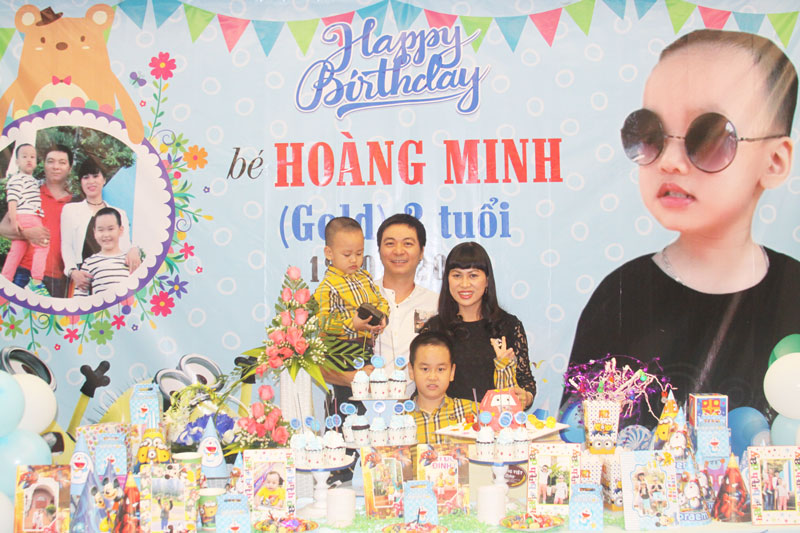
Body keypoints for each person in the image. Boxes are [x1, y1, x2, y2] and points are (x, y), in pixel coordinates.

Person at [569, 29, 800, 420]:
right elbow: (582, 431)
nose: (670, 162)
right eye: (649, 134)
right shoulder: (620, 297)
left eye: (708, 136)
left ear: (774, 161)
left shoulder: (793, 292)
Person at [314, 216, 389, 486]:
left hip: (365, 348)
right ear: (329, 253)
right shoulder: (327, 287)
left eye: (359, 253)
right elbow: (323, 322)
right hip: (340, 351)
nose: (354, 260)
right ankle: (339, 465)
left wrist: (382, 318)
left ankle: (365, 462)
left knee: (365, 406)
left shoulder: (364, 277)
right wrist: (351, 324)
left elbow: (380, 301)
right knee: (344, 406)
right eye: (347, 254)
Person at [421, 241, 536, 407]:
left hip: (498, 421)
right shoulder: (434, 329)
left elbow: (526, 381)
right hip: (449, 420)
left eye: (473, 275)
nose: (464, 284)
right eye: (457, 275)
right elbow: (422, 383)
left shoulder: (509, 326)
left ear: (487, 280)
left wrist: (526, 396)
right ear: (447, 280)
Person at [375, 214, 438, 396]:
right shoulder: (361, 298)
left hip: (419, 406)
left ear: (422, 252)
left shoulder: (436, 304)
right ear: (379, 250)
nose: (398, 251)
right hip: (364, 404)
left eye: (408, 243)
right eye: (390, 243)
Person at [0, 144, 75, 297]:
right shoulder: (30, 192)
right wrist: (26, 234)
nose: (56, 167)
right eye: (50, 161)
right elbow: (3, 228)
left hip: (57, 278)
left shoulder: (75, 203)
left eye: (62, 162)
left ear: (69, 168)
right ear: (43, 164)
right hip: (24, 273)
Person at [61, 157, 140, 295]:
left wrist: (134, 250)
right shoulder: (70, 210)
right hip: (83, 278)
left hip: (112, 277)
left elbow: (125, 245)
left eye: (95, 176)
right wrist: (72, 271)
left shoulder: (119, 213)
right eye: (86, 177)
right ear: (81, 182)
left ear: (104, 179)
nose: (91, 181)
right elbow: (66, 244)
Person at [408, 331, 476, 444]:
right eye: (425, 369)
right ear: (411, 371)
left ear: (452, 372)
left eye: (440, 369)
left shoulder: (473, 411)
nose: (432, 377)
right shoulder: (399, 418)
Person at [2, 143, 49, 292]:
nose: (29, 159)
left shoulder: (32, 180)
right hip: (28, 215)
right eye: (24, 156)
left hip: (27, 216)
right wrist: (13, 220)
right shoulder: (17, 179)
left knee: (17, 250)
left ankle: (5, 279)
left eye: (32, 157)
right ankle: (36, 281)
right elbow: (12, 200)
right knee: (43, 243)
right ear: (17, 161)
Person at [72, 207, 131, 296]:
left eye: (110, 229)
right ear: (94, 232)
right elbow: (80, 296)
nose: (106, 235)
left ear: (121, 230)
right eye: (100, 230)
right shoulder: (89, 262)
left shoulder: (129, 260)